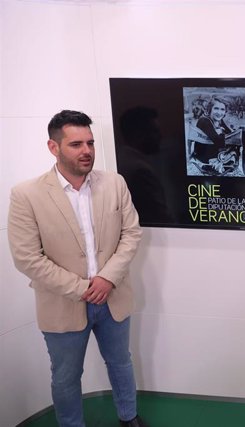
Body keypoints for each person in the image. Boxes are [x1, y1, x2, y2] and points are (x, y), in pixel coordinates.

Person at [7, 110, 147, 427]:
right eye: (75, 144)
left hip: (113, 298)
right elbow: (27, 257)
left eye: (90, 142)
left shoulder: (114, 183)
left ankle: (129, 418)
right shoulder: (26, 195)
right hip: (62, 304)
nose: (86, 150)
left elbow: (131, 233)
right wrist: (82, 288)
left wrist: (107, 279)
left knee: (121, 363)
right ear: (53, 147)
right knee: (66, 376)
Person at [192, 97, 233, 164]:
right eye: (216, 108)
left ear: (225, 111)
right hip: (204, 156)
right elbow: (218, 141)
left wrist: (221, 132)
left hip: (213, 151)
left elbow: (230, 133)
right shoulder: (204, 121)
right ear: (210, 109)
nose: (219, 112)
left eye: (222, 109)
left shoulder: (219, 120)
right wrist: (221, 133)